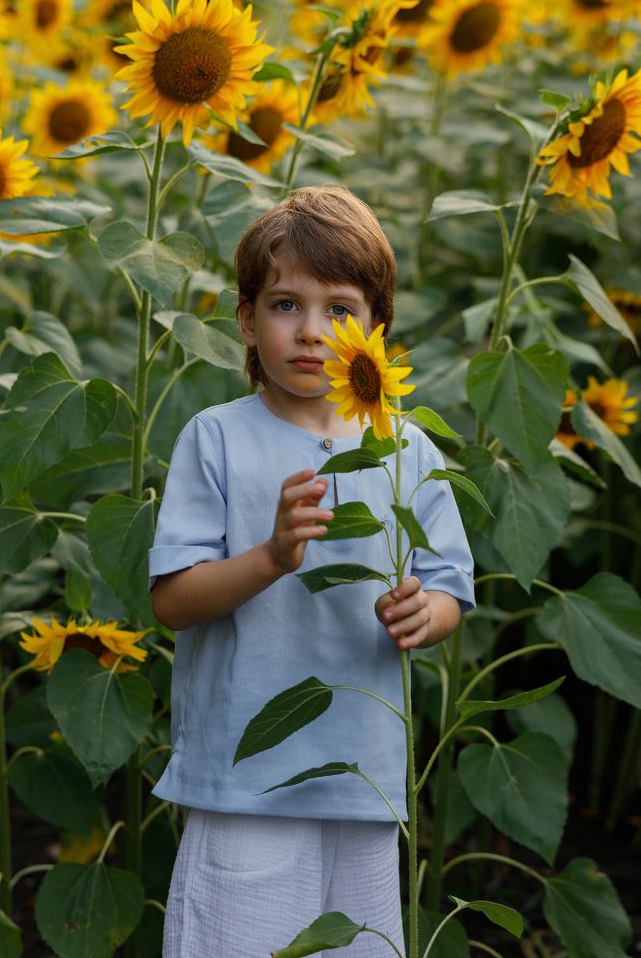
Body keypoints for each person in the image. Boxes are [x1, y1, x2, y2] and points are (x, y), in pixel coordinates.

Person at [149, 185, 475, 958]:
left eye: (340, 309)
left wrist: (423, 614)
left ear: (376, 329)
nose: (311, 331)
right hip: (247, 773)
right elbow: (173, 601)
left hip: (365, 773)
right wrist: (270, 558)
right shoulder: (217, 439)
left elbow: (450, 584)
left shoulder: (405, 449)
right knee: (236, 939)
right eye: (285, 304)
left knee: (359, 941)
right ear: (246, 320)